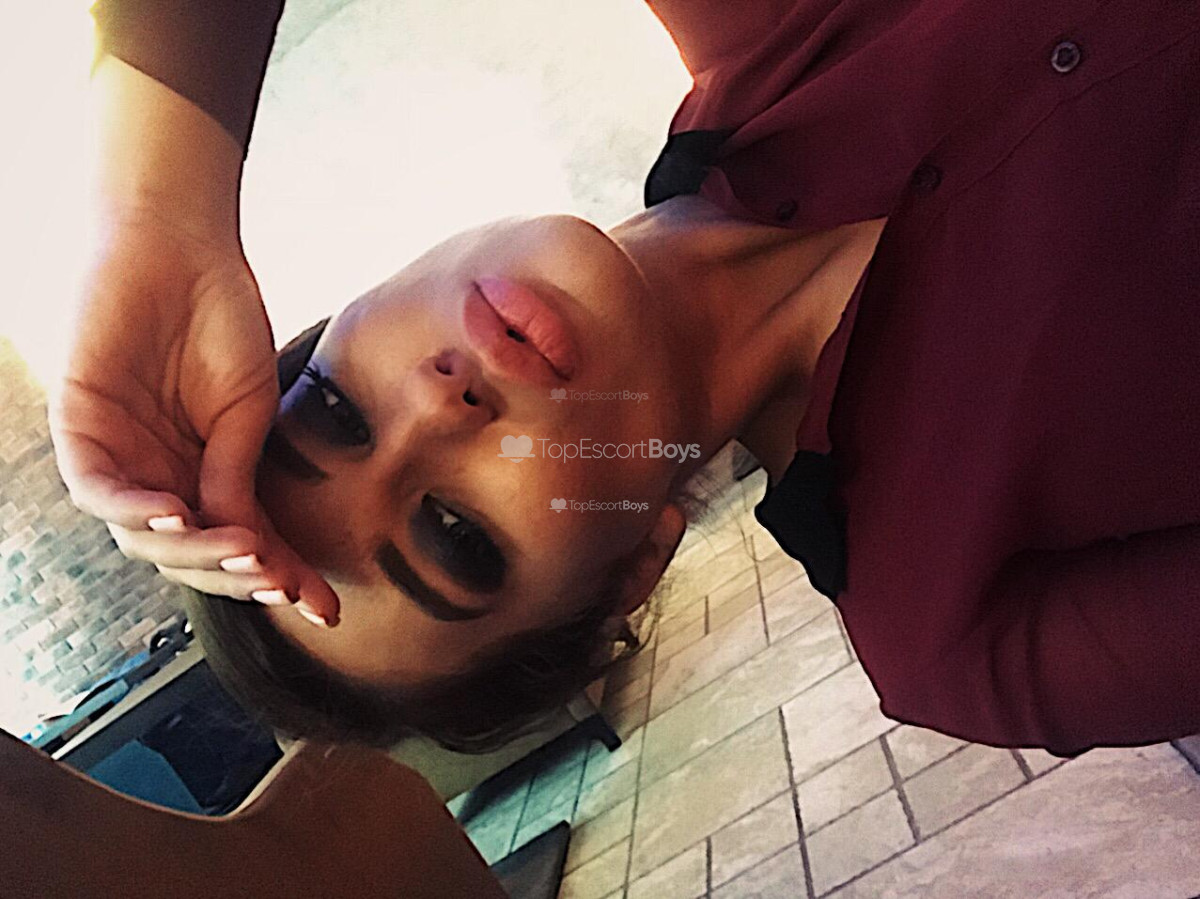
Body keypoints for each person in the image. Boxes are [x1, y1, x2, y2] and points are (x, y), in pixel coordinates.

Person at [51, 0, 1200, 758]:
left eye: (338, 409)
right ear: (631, 571)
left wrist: (159, 211)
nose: (440, 409)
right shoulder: (963, 635)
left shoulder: (753, 30)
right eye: (453, 532)